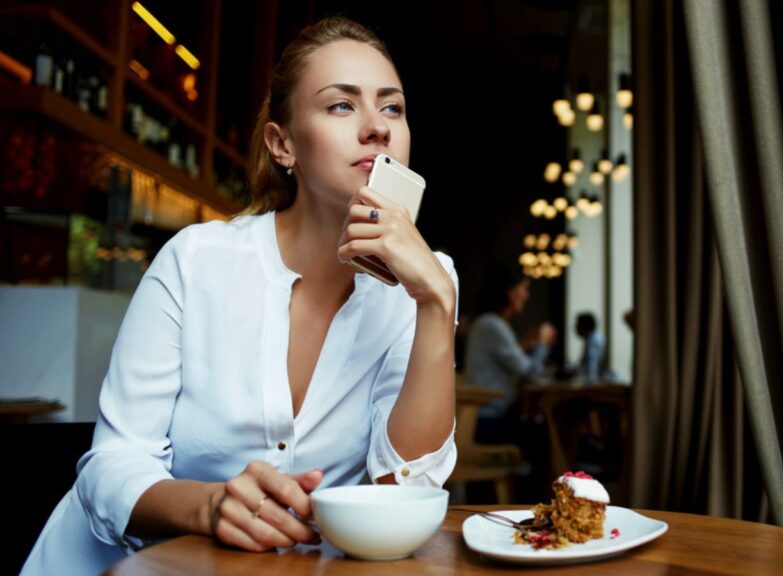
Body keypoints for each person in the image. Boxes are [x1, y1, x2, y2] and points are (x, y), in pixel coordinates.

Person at [21, 17, 458, 575]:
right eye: (341, 106)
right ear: (282, 145)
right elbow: (110, 466)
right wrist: (210, 505)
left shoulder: (426, 282)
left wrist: (435, 303)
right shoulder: (195, 260)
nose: (378, 128)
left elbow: (405, 491)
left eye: (392, 107)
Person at [464, 265, 555, 443]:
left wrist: (527, 343)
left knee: (544, 426)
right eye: (524, 289)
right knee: (546, 430)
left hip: (486, 416)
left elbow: (506, 360)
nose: (526, 295)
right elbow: (530, 373)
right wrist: (542, 344)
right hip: (488, 418)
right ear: (510, 292)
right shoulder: (492, 325)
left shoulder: (488, 323)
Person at [574, 312, 606, 385]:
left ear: (584, 326)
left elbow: (592, 372)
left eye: (577, 325)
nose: (575, 328)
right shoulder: (591, 338)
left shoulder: (593, 341)